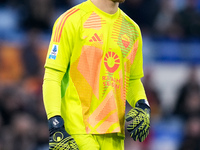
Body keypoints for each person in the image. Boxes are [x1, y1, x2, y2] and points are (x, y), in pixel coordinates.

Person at [42, 0, 151, 149]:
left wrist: (142, 103)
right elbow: (52, 76)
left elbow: (132, 80)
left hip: (114, 136)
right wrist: (55, 123)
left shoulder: (132, 29)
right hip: (77, 133)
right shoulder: (71, 20)